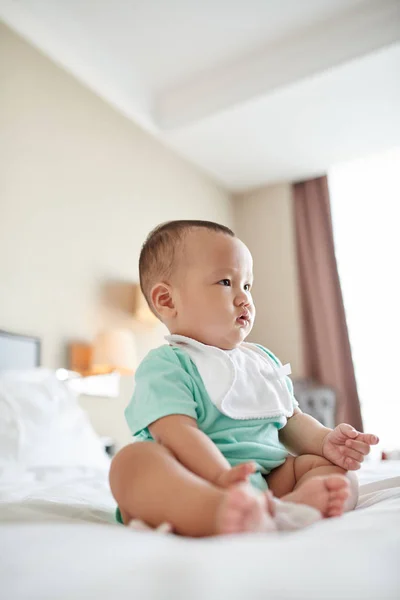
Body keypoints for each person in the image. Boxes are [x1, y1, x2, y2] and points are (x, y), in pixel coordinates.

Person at [110, 220, 378, 537]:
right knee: (131, 464)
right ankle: (217, 512)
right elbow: (176, 433)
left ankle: (287, 509)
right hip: (195, 479)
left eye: (247, 286)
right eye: (226, 282)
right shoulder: (168, 363)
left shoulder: (262, 360)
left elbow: (291, 420)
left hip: (267, 479)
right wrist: (221, 477)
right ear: (167, 300)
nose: (244, 298)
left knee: (336, 474)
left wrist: (324, 441)